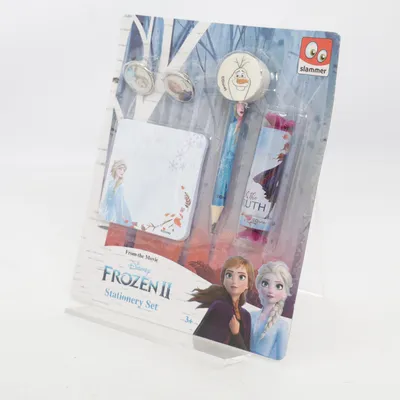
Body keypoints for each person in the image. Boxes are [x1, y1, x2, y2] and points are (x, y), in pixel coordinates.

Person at [188, 256, 255, 350]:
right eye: (229, 275)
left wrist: (236, 333)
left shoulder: (246, 316)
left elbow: (245, 352)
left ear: (248, 284)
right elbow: (199, 342)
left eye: (241, 277)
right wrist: (235, 334)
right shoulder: (220, 307)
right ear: (223, 280)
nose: (234, 281)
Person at [250, 261, 293, 360]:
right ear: (258, 286)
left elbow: (280, 357)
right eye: (265, 283)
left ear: (285, 293)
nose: (271, 290)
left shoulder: (282, 325)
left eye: (278, 286)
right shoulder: (250, 316)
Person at [99, 160, 132, 227]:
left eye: (124, 170)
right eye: (120, 169)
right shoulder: (111, 182)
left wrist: (120, 216)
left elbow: (119, 202)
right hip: (108, 209)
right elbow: (106, 197)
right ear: (115, 168)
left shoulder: (121, 185)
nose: (122, 171)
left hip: (115, 212)